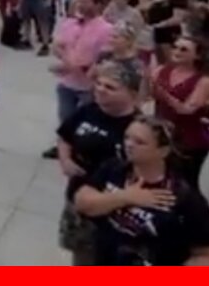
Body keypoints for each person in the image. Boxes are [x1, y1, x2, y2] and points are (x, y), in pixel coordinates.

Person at [72, 116, 209, 265]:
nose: (129, 144)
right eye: (127, 137)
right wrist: (125, 197)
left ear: (163, 151)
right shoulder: (113, 169)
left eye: (140, 142)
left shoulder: (184, 198)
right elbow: (83, 202)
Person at [55, 61, 143, 265]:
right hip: (78, 199)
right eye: (99, 83)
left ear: (131, 93)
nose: (101, 89)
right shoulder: (88, 110)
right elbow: (64, 136)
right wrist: (65, 160)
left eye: (110, 87)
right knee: (81, 255)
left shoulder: (138, 127)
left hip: (115, 209)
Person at [44, 0, 113, 159]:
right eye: (78, 1)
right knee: (66, 117)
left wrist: (76, 67)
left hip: (89, 85)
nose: (80, 5)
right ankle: (63, 146)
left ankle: (80, 150)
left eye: (85, 1)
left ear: (98, 4)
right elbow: (57, 45)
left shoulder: (106, 29)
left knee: (84, 120)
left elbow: (103, 58)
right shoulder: (69, 23)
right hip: (67, 83)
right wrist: (66, 61)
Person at [150, 35, 209, 190]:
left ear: (197, 55)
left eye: (184, 49)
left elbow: (187, 110)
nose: (177, 51)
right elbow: (148, 95)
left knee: (187, 184)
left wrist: (164, 94)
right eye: (175, 47)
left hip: (189, 141)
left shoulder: (205, 80)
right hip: (163, 136)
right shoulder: (161, 70)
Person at [143, 0, 189, 64]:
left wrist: (160, 25)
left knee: (170, 59)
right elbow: (144, 7)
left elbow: (178, 18)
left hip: (169, 32)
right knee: (160, 60)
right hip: (155, 32)